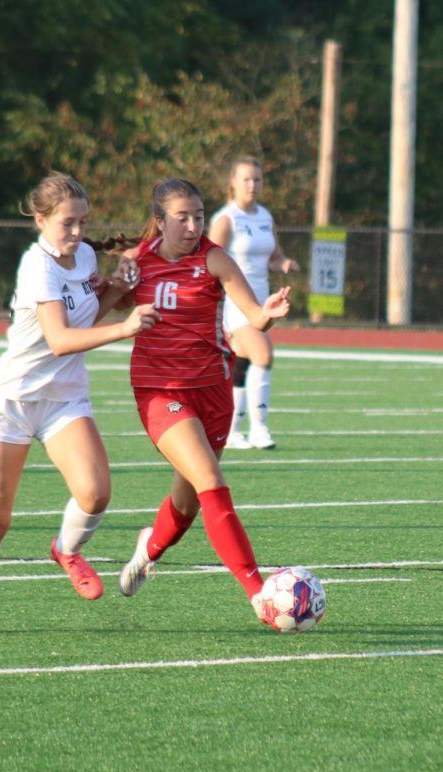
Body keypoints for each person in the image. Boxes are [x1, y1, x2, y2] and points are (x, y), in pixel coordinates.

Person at [0, 172, 159, 636]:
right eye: (67, 223)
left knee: (96, 493)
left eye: (83, 222)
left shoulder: (81, 256)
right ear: (40, 220)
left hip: (64, 400)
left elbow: (85, 318)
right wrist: (127, 327)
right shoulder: (35, 266)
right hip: (14, 402)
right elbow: (60, 340)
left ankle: (66, 550)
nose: (78, 233)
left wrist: (116, 292)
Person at [115, 178, 291, 624]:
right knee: (211, 480)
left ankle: (149, 548)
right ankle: (258, 592)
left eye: (198, 215)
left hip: (213, 393)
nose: (194, 225)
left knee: (188, 502)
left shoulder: (214, 258)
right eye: (182, 217)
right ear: (159, 221)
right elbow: (97, 310)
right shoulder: (137, 264)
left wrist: (266, 315)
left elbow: (252, 316)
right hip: (160, 393)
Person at [208, 156, 300, 450]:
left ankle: (232, 431)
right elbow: (208, 264)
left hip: (263, 302)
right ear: (232, 182)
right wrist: (217, 314)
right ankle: (259, 429)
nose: (252, 185)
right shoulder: (226, 219)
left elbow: (275, 256)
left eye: (257, 179)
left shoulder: (265, 217)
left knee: (243, 363)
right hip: (236, 302)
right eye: (246, 179)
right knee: (264, 355)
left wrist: (284, 263)